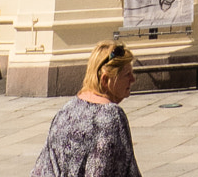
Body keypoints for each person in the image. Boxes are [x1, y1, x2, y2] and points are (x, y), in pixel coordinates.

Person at [30, 39, 142, 177]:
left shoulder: (66, 110)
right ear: (106, 80)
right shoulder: (111, 116)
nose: (133, 79)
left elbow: (42, 169)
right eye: (127, 75)